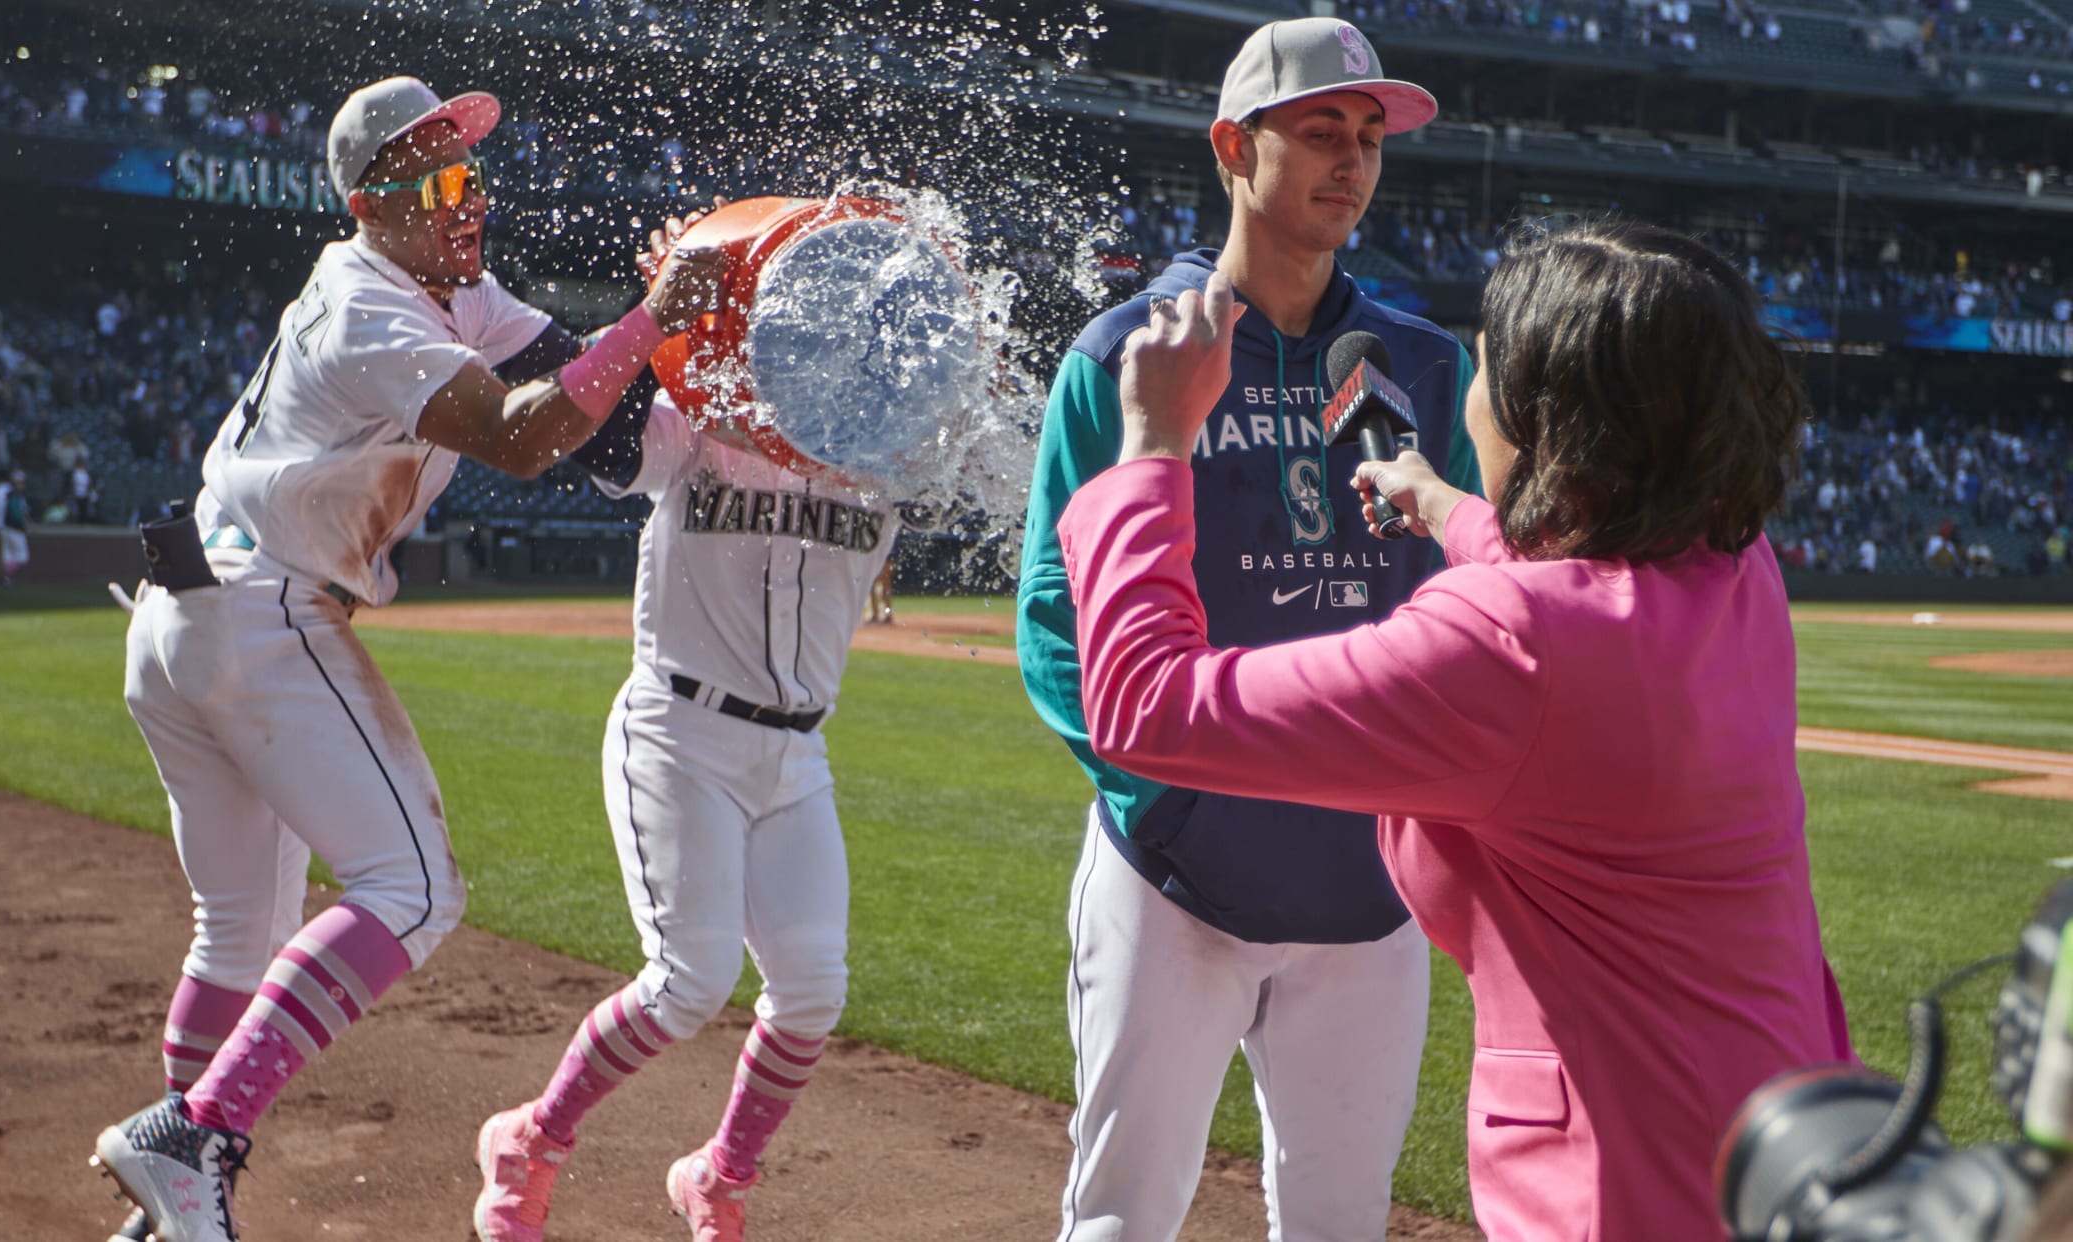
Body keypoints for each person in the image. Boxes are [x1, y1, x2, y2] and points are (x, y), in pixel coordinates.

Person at [1058, 222, 1850, 1239]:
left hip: (1622, 1181)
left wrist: (1156, 443)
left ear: (1542, 418)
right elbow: (1586, 585)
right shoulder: (1741, 573)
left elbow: (1145, 705)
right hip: (1791, 1138)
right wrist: (1442, 507)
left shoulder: (1510, 645)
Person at [88, 75, 728, 1242]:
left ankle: (172, 1196)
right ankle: (194, 1140)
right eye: (436, 178)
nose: (466, 197)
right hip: (261, 612)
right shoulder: (370, 312)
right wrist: (653, 318)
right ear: (369, 202)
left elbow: (595, 408)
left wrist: (699, 375)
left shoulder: (452, 291)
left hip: (184, 615)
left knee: (236, 934)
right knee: (417, 890)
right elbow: (527, 438)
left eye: (472, 171)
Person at [1016, 18, 1478, 1242]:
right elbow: (1055, 623)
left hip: (1368, 888)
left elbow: (1473, 607)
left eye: (1370, 138)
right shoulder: (1123, 358)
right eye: (1320, 131)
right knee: (1122, 1218)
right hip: (1174, 877)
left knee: (1339, 1226)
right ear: (1233, 144)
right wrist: (1170, 804)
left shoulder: (1425, 369)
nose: (1353, 160)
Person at [468, 215, 904, 1242]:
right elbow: (591, 426)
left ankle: (718, 1176)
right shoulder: (689, 421)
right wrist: (665, 306)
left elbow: (969, 432)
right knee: (687, 982)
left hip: (798, 753)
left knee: (811, 992)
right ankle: (529, 1139)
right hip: (680, 730)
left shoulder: (887, 455)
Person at [0, 469, 29, 586]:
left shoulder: (8, 492)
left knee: (8, 555)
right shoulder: (11, 494)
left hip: (3, 527)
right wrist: (23, 525)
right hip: (12, 528)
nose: (22, 485)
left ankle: (5, 578)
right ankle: (5, 576)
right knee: (22, 556)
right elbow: (15, 514)